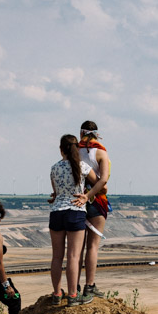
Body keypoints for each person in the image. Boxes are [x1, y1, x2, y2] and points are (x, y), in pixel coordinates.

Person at [48, 134, 97, 304]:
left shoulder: (54, 168)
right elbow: (99, 183)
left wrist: (55, 197)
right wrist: (87, 195)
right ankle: (72, 295)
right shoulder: (82, 166)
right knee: (74, 256)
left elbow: (55, 192)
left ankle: (56, 293)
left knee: (56, 257)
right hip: (75, 211)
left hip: (56, 212)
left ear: (61, 149)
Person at [77, 120, 111, 302]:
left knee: (77, 249)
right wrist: (92, 192)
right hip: (96, 201)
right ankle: (90, 285)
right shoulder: (101, 151)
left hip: (76, 200)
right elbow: (103, 179)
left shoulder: (74, 151)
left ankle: (74, 286)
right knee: (92, 246)